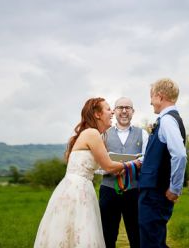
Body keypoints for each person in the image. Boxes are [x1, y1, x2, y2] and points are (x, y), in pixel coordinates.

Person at [34, 98, 128, 248]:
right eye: (108, 109)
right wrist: (135, 164)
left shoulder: (95, 135)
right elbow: (109, 166)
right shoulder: (92, 133)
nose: (112, 113)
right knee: (79, 233)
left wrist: (121, 167)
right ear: (97, 114)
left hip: (79, 187)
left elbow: (101, 167)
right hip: (77, 191)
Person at [138, 78, 187, 248]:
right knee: (154, 240)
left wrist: (175, 188)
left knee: (150, 242)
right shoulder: (168, 119)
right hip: (154, 191)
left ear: (159, 96)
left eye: (151, 97)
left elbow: (180, 155)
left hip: (155, 193)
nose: (150, 102)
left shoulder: (167, 121)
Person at [99, 97, 149, 248]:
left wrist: (133, 164)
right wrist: (111, 166)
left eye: (128, 108)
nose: (124, 111)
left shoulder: (143, 134)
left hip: (134, 191)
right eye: (120, 107)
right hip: (108, 190)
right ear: (115, 111)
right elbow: (97, 164)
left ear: (133, 112)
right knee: (107, 236)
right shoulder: (103, 135)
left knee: (137, 236)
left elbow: (147, 160)